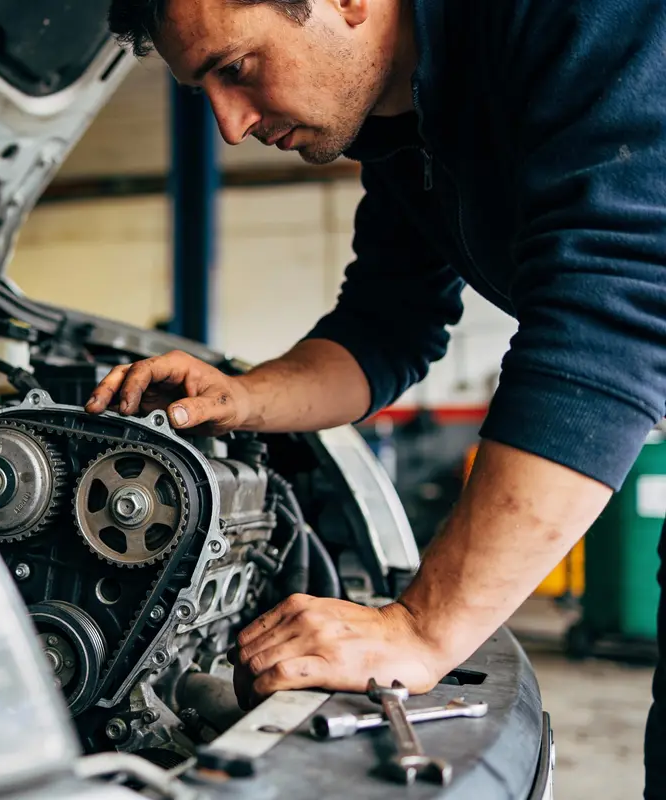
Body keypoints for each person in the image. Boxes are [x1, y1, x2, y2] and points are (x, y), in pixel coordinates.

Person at [88, 0, 666, 794]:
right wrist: (243, 397)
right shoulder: (409, 128)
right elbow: (386, 327)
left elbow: (614, 312)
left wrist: (424, 628)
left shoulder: (583, 18)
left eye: (237, 69)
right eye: (204, 92)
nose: (228, 125)